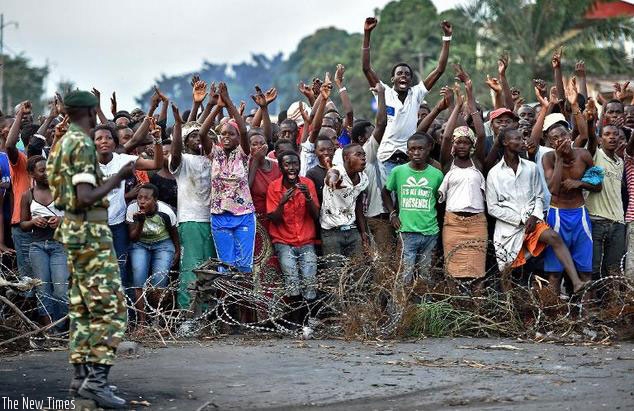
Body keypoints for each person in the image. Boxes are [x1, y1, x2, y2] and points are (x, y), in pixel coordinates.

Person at [46, 90, 134, 408]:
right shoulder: (82, 143)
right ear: (91, 110)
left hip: (72, 231)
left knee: (82, 310)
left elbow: (61, 196)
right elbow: (85, 196)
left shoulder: (62, 142)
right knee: (111, 310)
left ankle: (79, 381)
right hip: (90, 232)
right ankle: (97, 383)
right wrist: (120, 177)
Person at [486, 128, 587, 294]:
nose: (521, 142)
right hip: (509, 229)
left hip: (532, 221)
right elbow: (492, 207)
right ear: (505, 142)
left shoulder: (531, 167)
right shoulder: (494, 174)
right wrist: (519, 219)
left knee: (553, 237)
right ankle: (509, 308)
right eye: (516, 139)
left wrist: (534, 216)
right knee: (506, 271)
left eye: (522, 138)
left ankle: (576, 282)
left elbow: (540, 196)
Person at [362, 16, 452, 177]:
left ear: (411, 79)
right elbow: (367, 69)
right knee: (386, 201)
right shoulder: (383, 92)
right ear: (392, 79)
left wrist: (447, 38)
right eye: (399, 73)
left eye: (407, 74)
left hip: (408, 160)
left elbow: (439, 70)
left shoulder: (416, 93)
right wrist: (367, 34)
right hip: (385, 159)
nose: (403, 76)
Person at [541, 79, 598, 294]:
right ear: (549, 141)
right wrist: (557, 159)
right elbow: (554, 189)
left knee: (585, 271)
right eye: (555, 138)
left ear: (569, 135)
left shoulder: (583, 155)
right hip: (557, 215)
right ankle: (553, 317)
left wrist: (579, 182)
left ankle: (587, 315)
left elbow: (598, 184)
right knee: (554, 273)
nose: (560, 140)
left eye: (563, 135)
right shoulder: (547, 158)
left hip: (580, 215)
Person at [94, 121, 163, 290]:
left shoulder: (124, 160)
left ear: (115, 142)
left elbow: (156, 165)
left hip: (118, 227)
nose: (104, 141)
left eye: (108, 138)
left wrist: (158, 141)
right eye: (99, 138)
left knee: (120, 272)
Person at [199, 82, 255, 273]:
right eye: (223, 134)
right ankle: (228, 302)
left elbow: (244, 129)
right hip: (220, 215)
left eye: (231, 134)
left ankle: (243, 302)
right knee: (226, 267)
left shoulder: (243, 153)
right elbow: (201, 133)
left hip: (244, 215)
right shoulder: (214, 153)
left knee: (244, 267)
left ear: (238, 138)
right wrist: (217, 107)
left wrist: (228, 101)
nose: (226, 137)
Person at [437, 75, 488, 282]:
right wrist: (456, 107)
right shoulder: (448, 163)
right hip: (453, 223)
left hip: (477, 223)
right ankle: (454, 310)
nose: (461, 146)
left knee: (477, 272)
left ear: (472, 145)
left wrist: (470, 95)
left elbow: (482, 133)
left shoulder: (478, 162)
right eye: (459, 142)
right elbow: (447, 137)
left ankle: (476, 308)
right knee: (452, 269)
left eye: (466, 142)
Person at [169, 104, 216, 309]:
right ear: (186, 141)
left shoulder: (213, 160)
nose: (198, 139)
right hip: (191, 220)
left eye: (201, 136)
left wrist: (213, 105)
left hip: (214, 219)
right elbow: (176, 151)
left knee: (210, 268)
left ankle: (206, 312)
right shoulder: (183, 160)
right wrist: (179, 125)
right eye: (193, 137)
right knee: (191, 267)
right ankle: (188, 312)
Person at [382, 133, 443, 284]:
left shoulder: (437, 175)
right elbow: (385, 192)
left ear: (428, 149)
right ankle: (398, 308)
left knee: (425, 276)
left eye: (420, 149)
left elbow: (440, 202)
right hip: (407, 231)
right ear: (407, 151)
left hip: (430, 232)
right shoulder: (398, 171)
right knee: (404, 276)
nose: (416, 153)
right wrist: (393, 214)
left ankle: (423, 307)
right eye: (412, 149)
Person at [267, 150, 320, 314]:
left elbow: (316, 215)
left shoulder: (307, 184)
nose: (292, 168)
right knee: (292, 280)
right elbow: (274, 219)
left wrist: (308, 197)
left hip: (305, 240)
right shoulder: (274, 187)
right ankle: (295, 320)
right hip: (284, 241)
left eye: (295, 164)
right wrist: (282, 202)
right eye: (287, 164)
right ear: (281, 168)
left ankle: (307, 319)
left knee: (309, 279)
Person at [19, 155, 68, 330]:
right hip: (37, 246)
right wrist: (33, 222)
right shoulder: (27, 195)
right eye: (42, 171)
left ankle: (62, 327)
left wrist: (61, 220)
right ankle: (50, 329)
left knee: (61, 289)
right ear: (32, 174)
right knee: (43, 290)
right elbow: (23, 225)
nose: (47, 173)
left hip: (59, 245)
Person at [126, 184, 179, 328]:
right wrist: (141, 222)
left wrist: (177, 252)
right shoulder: (132, 209)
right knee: (138, 282)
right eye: (139, 198)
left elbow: (174, 234)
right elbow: (133, 238)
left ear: (155, 200)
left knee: (159, 283)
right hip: (140, 244)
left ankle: (157, 320)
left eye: (146, 198)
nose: (142, 201)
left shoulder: (166, 212)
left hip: (163, 244)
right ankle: (141, 323)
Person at [587, 124, 626, 280]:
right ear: (600, 138)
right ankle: (591, 302)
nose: (612, 137)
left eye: (615, 134)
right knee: (593, 268)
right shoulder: (595, 155)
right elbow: (589, 138)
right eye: (607, 134)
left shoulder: (620, 162)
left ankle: (612, 303)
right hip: (596, 221)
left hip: (617, 222)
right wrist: (590, 121)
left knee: (613, 269)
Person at [321, 144, 369, 261]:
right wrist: (332, 180)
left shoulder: (364, 179)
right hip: (331, 231)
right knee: (334, 274)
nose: (363, 158)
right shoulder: (338, 171)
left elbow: (358, 206)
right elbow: (331, 174)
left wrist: (363, 232)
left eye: (364, 155)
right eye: (358, 155)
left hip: (352, 229)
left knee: (359, 270)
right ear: (346, 158)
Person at [149, 139, 177, 210]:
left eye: (172, 152)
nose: (170, 156)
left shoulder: (184, 174)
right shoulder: (155, 179)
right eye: (165, 153)